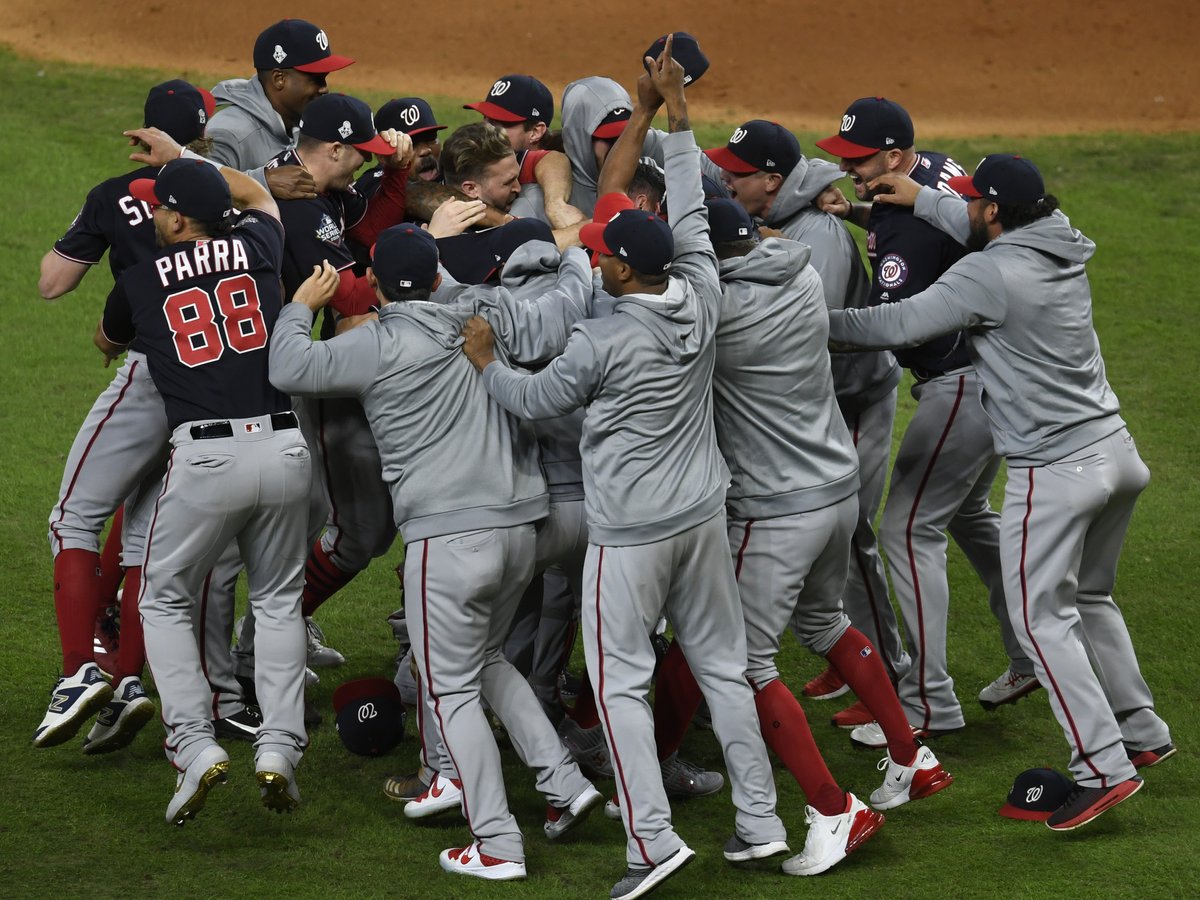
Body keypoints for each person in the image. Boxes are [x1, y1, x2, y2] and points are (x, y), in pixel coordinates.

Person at [462, 39, 787, 899]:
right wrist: (671, 110)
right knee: (725, 669)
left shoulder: (603, 338)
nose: (595, 254)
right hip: (702, 519)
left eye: (604, 251)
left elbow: (531, 404)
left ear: (623, 267)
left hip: (633, 536)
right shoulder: (702, 289)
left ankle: (651, 842)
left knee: (619, 687)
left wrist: (488, 361)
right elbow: (685, 200)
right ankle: (761, 820)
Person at [827, 153, 1174, 830]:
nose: (961, 207)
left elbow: (894, 327)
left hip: (1058, 471)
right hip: (1117, 452)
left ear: (992, 212)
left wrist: (803, 321)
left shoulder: (987, 273)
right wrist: (923, 199)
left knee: (1044, 621)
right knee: (1091, 597)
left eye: (969, 201)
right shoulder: (1061, 236)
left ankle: (1102, 765)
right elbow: (971, 216)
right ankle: (1141, 726)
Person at [269, 223, 600, 880]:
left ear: (379, 284)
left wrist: (301, 306)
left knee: (446, 688)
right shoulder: (486, 317)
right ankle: (565, 784)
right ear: (438, 271)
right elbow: (562, 313)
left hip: (447, 539)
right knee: (486, 662)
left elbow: (287, 367)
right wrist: (575, 259)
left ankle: (498, 842)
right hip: (518, 529)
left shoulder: (374, 343)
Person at [94, 152, 310, 825]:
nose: (155, 214)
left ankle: (191, 744)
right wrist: (188, 158)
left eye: (162, 204)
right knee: (276, 602)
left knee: (160, 598)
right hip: (285, 447)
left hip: (207, 459)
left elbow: (107, 339)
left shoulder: (137, 278)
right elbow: (259, 199)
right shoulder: (260, 242)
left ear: (178, 217)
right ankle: (278, 748)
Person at [814, 98, 1035, 744]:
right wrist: (857, 212)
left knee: (908, 531)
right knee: (968, 516)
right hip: (1001, 378)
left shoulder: (906, 225)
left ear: (891, 156)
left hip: (963, 388)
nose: (848, 168)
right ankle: (1032, 653)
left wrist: (802, 323)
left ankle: (930, 701)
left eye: (857, 162)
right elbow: (941, 234)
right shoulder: (936, 172)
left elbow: (889, 324)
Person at [703, 120, 911, 729]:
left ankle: (894, 677)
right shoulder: (783, 210)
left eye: (736, 172)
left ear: (771, 180)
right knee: (832, 561)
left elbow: (803, 335)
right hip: (816, 407)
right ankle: (852, 662)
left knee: (854, 543)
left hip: (847, 400)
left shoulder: (817, 229)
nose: (724, 177)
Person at [34, 80, 216, 754]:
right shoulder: (223, 200)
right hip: (214, 388)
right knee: (141, 537)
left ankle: (79, 668)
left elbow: (52, 283)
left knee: (74, 518)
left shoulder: (116, 196)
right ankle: (128, 680)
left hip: (148, 372)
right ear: (202, 134)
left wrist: (98, 233)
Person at [207, 18, 353, 197]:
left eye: (324, 78)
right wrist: (263, 182)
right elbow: (195, 191)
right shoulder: (228, 133)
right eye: (316, 79)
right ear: (279, 78)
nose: (324, 88)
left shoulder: (305, 121)